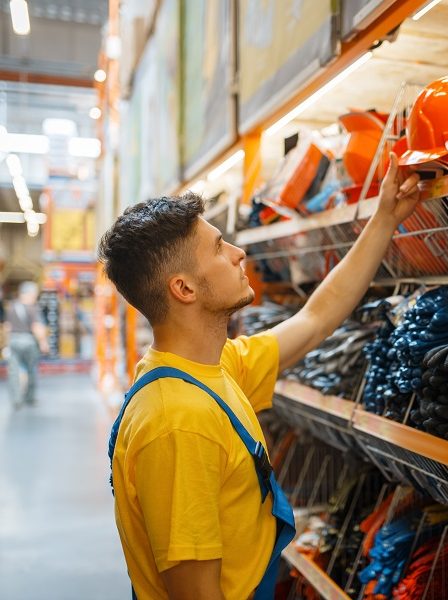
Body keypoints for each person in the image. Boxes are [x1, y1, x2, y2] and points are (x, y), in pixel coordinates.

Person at [98, 154, 420, 600]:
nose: (238, 253)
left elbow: (316, 320)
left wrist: (385, 217)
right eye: (217, 248)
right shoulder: (179, 422)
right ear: (184, 289)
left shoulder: (211, 369)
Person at [4, 281, 49, 409]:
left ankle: (16, 398)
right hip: (29, 342)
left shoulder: (12, 306)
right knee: (31, 369)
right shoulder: (33, 308)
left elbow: (7, 326)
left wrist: (7, 343)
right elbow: (36, 327)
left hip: (13, 341)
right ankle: (30, 396)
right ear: (29, 293)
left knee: (13, 371)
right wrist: (43, 342)